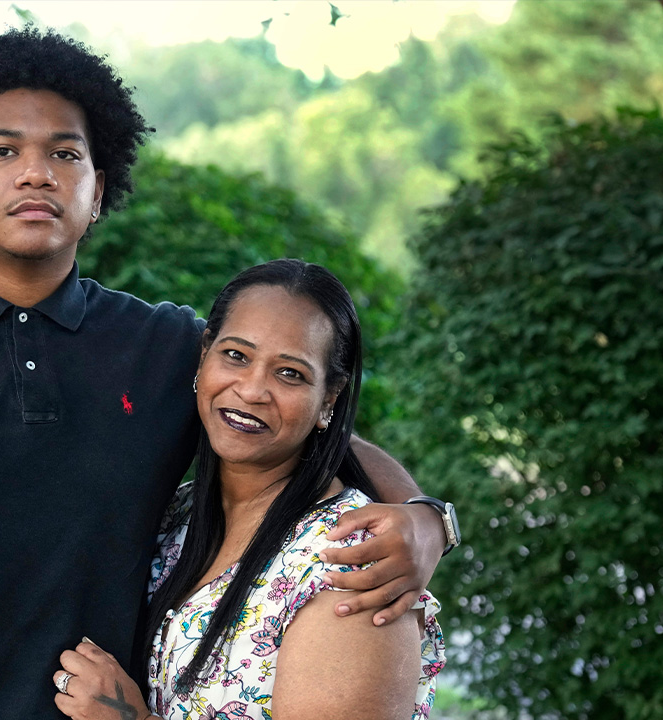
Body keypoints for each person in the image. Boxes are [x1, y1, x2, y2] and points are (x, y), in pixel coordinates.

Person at [0, 28, 457, 719]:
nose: (37, 172)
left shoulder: (170, 349)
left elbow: (308, 434)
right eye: (3, 150)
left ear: (96, 192)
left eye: (65, 153)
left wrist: (426, 522)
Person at [51, 260, 445, 720]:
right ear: (204, 356)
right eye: (236, 356)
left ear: (330, 399)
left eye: (290, 374)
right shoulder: (176, 518)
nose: (253, 389)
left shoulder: (347, 564)